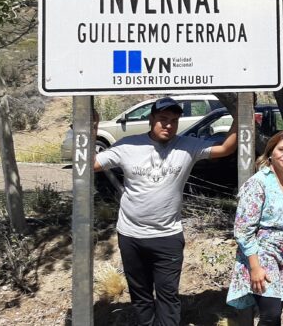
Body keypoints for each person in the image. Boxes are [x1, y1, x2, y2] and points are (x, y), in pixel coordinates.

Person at [93, 97, 238, 326]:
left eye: (173, 120)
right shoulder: (128, 145)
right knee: (140, 297)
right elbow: (90, 164)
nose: (168, 125)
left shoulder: (188, 145)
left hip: (167, 236)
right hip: (130, 235)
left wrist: (241, 115)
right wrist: (91, 129)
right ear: (151, 120)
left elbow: (225, 148)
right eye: (162, 119)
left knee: (168, 296)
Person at [226, 130, 283, 325]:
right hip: (261, 255)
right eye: (281, 149)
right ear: (271, 152)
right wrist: (255, 267)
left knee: (274, 315)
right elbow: (243, 229)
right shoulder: (258, 182)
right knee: (270, 314)